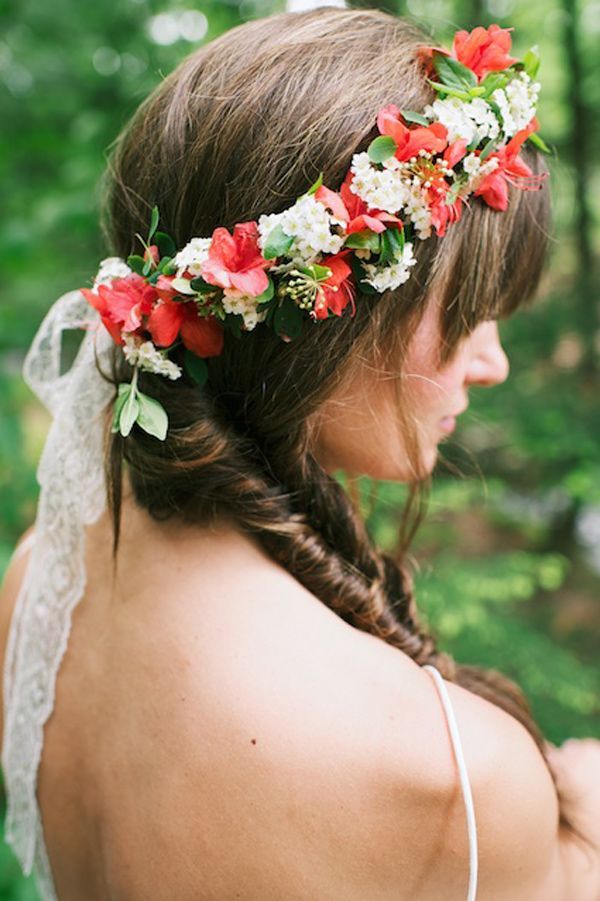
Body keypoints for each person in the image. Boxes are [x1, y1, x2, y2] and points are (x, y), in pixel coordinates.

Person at [1, 6, 599, 900]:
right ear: (317, 314)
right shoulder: (451, 777)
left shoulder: (33, 589)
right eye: (470, 313)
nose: (496, 362)